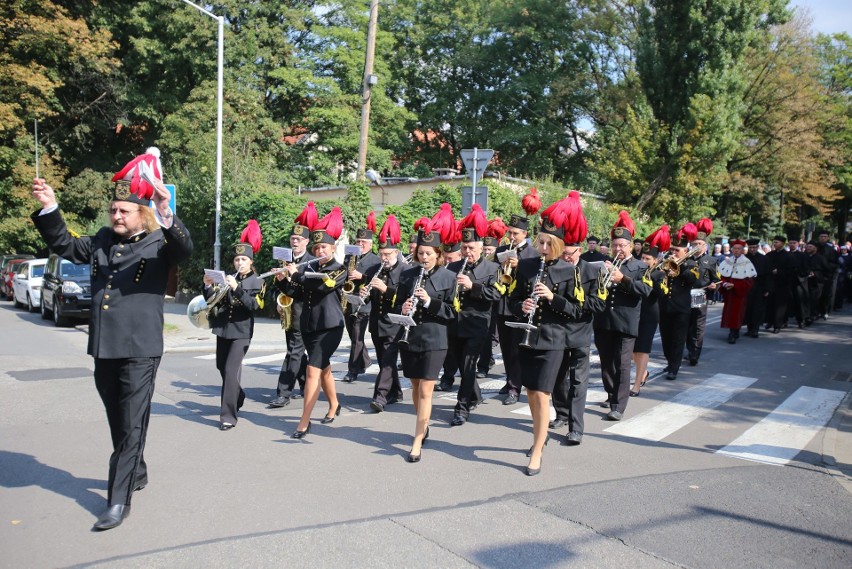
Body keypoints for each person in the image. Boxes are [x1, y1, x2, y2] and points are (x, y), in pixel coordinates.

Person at [30, 147, 193, 531]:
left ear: (143, 212)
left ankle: (117, 500)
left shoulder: (159, 241)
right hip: (104, 346)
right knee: (118, 417)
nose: (117, 216)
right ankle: (136, 468)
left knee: (132, 422)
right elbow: (65, 245)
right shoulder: (103, 239)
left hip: (141, 348)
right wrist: (51, 207)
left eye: (125, 211)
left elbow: (183, 248)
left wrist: (167, 210)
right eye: (114, 210)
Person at [510, 211, 583, 475]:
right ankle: (540, 436)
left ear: (559, 245)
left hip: (553, 341)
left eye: (548, 244)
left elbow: (577, 310)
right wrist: (522, 305)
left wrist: (553, 298)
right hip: (528, 337)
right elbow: (511, 299)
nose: (542, 248)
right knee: (530, 393)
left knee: (542, 394)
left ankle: (537, 450)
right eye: (540, 242)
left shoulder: (568, 270)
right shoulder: (527, 266)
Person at [276, 208, 347, 439]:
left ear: (333, 248)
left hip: (330, 327)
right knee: (324, 367)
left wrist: (297, 275)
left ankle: (304, 422)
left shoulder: (340, 270)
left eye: (323, 247)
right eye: (316, 248)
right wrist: (282, 281)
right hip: (308, 325)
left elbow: (322, 287)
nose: (319, 251)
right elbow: (296, 293)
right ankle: (334, 404)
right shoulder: (309, 268)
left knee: (313, 369)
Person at [547, 191, 605, 445]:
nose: (565, 258)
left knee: (579, 382)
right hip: (558, 333)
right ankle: (561, 412)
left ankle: (576, 427)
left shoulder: (593, 271)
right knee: (559, 379)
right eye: (562, 253)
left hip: (580, 333)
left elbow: (597, 304)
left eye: (569, 253)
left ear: (579, 249)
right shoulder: (552, 267)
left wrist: (569, 303)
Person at [396, 226, 456, 462]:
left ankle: (417, 439)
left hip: (435, 338)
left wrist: (430, 302)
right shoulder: (407, 275)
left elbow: (452, 312)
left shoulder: (449, 277)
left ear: (438, 254)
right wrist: (403, 307)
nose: (424, 258)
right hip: (411, 336)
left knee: (426, 390)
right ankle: (423, 425)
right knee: (414, 386)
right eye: (421, 253)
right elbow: (398, 301)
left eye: (429, 254)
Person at [592, 211, 651, 420]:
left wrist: (622, 279)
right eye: (615, 245)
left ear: (631, 245)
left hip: (626, 322)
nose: (618, 249)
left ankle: (618, 406)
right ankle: (611, 394)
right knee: (607, 362)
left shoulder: (641, 267)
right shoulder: (605, 263)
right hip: (603, 319)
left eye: (622, 245)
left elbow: (645, 291)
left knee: (623, 364)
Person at [204, 221, 262, 430]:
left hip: (241, 331)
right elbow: (212, 300)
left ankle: (228, 416)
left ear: (250, 261)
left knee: (230, 370)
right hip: (223, 328)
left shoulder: (258, 281)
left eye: (243, 259)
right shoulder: (226, 278)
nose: (239, 263)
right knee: (222, 367)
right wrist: (208, 285)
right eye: (237, 259)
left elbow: (253, 306)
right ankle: (238, 394)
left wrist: (237, 289)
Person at [447, 206, 501, 426]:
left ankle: (461, 408)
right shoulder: (452, 266)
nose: (467, 252)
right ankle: (476, 395)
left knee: (469, 366)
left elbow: (496, 294)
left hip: (477, 323)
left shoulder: (492, 268)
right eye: (464, 247)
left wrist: (473, 287)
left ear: (481, 248)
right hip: (455, 324)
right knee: (462, 365)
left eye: (471, 247)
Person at [493, 190, 542, 401]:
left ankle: (515, 386)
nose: (511, 237)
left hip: (522, 304)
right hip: (503, 304)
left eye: (516, 234)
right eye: (510, 233)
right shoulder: (501, 250)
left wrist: (519, 265)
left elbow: (533, 278)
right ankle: (510, 381)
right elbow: (493, 274)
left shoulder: (533, 254)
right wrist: (501, 264)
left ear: (525, 234)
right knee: (505, 346)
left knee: (517, 347)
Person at [270, 204, 316, 407]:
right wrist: (279, 291)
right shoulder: (285, 259)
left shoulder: (312, 262)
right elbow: (280, 289)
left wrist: (293, 275)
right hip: (289, 313)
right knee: (297, 351)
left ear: (306, 241)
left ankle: (283, 393)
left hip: (304, 313)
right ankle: (307, 386)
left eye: (298, 239)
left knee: (293, 353)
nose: (294, 242)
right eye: (292, 239)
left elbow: (305, 290)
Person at [365, 215, 411, 412]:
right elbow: (368, 298)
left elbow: (406, 298)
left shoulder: (406, 271)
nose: (383, 258)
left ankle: (380, 396)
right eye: (381, 254)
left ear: (396, 252)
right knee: (384, 358)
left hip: (394, 323)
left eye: (387, 254)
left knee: (388, 360)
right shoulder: (374, 268)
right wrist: (363, 294)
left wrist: (386, 290)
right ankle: (396, 392)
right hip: (376, 322)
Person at [630, 226, 670, 396]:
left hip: (650, 313)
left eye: (648, 259)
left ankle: (637, 384)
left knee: (643, 349)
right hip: (634, 312)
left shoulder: (660, 274)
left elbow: (664, 294)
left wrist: (655, 278)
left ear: (655, 260)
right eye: (643, 257)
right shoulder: (637, 269)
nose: (645, 261)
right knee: (632, 350)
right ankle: (643, 372)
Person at [658, 225, 700, 381]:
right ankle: (670, 361)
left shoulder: (691, 263)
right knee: (666, 337)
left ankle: (674, 367)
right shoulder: (665, 260)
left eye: (677, 250)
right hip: (664, 305)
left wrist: (680, 265)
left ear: (685, 251)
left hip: (681, 308)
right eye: (673, 249)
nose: (673, 253)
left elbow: (693, 279)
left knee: (678, 338)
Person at [342, 213, 380, 383]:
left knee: (357, 337)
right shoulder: (350, 257)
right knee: (353, 335)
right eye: (358, 241)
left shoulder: (376, 260)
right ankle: (365, 361)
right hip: (349, 301)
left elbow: (377, 281)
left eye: (363, 242)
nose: (360, 244)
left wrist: (361, 277)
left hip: (365, 304)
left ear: (370, 244)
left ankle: (353, 370)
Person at [685, 218, 720, 365]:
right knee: (687, 324)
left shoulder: (711, 261)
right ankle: (689, 349)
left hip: (701, 294)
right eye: (694, 244)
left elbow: (717, 279)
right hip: (686, 295)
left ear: (705, 246)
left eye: (699, 244)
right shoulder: (686, 259)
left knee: (698, 326)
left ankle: (695, 353)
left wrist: (714, 286)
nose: (697, 246)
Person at [477, 218, 507, 378]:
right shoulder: (481, 262)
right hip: (484, 302)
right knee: (486, 335)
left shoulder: (500, 261)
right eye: (486, 249)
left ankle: (486, 362)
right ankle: (484, 363)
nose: (488, 252)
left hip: (498, 301)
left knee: (492, 335)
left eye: (490, 250)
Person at [719, 239, 756, 343]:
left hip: (739, 293)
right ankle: (732, 331)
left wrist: (735, 285)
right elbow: (721, 276)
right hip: (728, 293)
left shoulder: (747, 262)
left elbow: (749, 281)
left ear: (743, 250)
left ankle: (734, 332)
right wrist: (725, 284)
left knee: (737, 313)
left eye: (739, 249)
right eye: (734, 248)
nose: (736, 251)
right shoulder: (727, 261)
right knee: (729, 312)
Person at [763, 236, 791, 334]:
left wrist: (778, 271)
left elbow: (791, 271)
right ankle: (769, 321)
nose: (775, 244)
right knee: (769, 304)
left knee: (779, 306)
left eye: (777, 242)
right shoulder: (769, 255)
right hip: (771, 283)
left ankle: (777, 325)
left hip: (782, 284)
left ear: (783, 244)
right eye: (774, 242)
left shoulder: (788, 256)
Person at [744, 238, 770, 337]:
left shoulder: (764, 259)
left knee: (757, 309)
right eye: (750, 247)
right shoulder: (744, 259)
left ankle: (755, 329)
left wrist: (767, 289)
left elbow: (768, 275)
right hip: (747, 286)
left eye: (754, 247)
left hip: (760, 287)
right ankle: (749, 328)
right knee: (748, 308)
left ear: (758, 247)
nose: (752, 249)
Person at [787, 236, 810, 328]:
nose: (792, 244)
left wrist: (800, 273)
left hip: (799, 281)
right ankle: (785, 320)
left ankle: (801, 320)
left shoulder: (803, 255)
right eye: (790, 242)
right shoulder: (786, 254)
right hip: (787, 281)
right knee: (787, 301)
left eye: (794, 243)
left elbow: (807, 268)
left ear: (797, 244)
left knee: (799, 301)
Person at [816, 229, 840, 319]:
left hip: (826, 275)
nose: (823, 238)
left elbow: (835, 263)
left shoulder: (831, 250)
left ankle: (824, 311)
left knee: (826, 294)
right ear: (818, 237)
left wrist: (827, 268)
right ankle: (816, 311)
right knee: (816, 294)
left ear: (828, 238)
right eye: (821, 237)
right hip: (815, 275)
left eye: (825, 237)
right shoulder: (815, 248)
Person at [805, 240, 830, 325]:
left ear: (816, 248)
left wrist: (815, 273)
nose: (808, 248)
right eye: (807, 246)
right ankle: (806, 316)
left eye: (810, 247)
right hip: (805, 281)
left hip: (817, 282)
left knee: (814, 299)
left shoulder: (821, 258)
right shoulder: (804, 257)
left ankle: (811, 316)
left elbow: (826, 271)